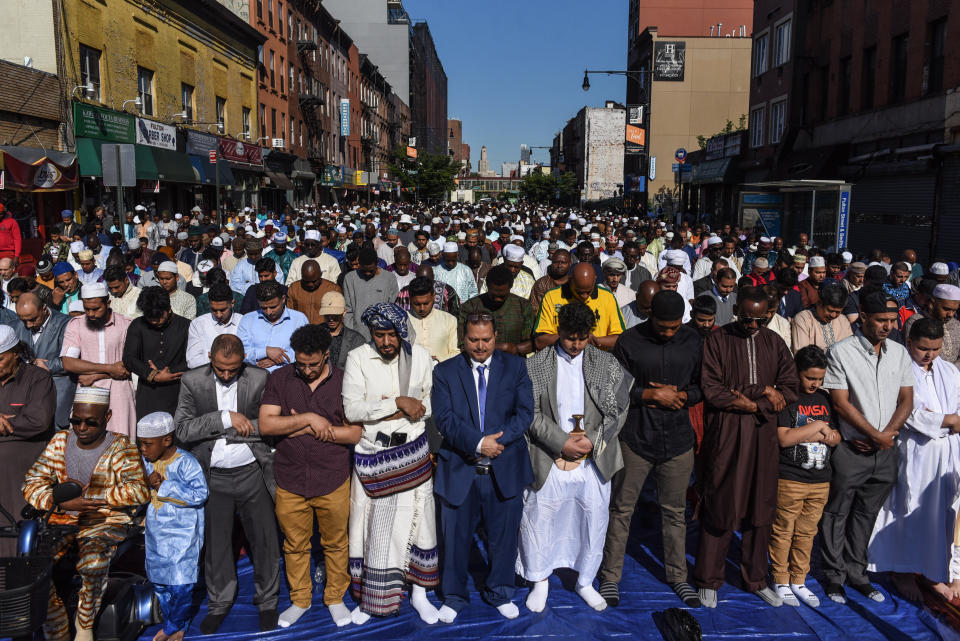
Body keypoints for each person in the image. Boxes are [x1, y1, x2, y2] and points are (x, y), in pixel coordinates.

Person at [693, 287, 799, 608]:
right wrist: (761, 391)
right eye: (747, 319)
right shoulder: (718, 340)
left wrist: (754, 404)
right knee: (722, 502)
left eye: (760, 320)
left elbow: (790, 389)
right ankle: (708, 579)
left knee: (760, 506)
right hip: (726, 433)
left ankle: (755, 579)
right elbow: (712, 389)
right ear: (736, 310)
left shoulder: (774, 342)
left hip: (763, 435)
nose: (752, 326)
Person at [519, 301, 627, 612]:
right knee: (541, 516)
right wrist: (561, 442)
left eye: (582, 338)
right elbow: (530, 412)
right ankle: (540, 580)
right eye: (569, 338)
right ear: (559, 331)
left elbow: (619, 409)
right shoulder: (536, 364)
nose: (576, 345)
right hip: (548, 454)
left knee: (593, 518)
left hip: (594, 456)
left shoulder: (605, 364)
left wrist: (591, 441)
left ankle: (585, 582)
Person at [599, 291, 703, 608]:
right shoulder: (629, 341)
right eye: (662, 327)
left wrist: (681, 397)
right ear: (650, 317)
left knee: (674, 512)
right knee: (621, 510)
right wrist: (649, 395)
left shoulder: (693, 341)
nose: (668, 333)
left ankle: (677, 577)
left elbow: (703, 387)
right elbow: (613, 387)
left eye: (674, 327)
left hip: (678, 440)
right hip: (636, 438)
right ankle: (609, 577)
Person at [22, 386, 149, 641]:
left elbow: (139, 491)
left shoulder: (121, 446)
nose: (81, 427)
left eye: (90, 422)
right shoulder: (60, 441)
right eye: (76, 420)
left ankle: (85, 625)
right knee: (34, 569)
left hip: (104, 520)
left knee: (92, 562)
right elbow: (31, 483)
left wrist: (93, 499)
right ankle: (56, 630)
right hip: (60, 519)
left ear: (107, 417)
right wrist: (57, 504)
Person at [341, 303, 441, 624]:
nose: (385, 342)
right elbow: (353, 410)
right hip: (374, 457)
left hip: (412, 453)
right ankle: (375, 596)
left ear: (401, 332)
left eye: (390, 335)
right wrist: (396, 403)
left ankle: (419, 593)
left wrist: (413, 408)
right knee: (373, 528)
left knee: (419, 524)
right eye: (378, 335)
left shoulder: (421, 357)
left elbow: (429, 404)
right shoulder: (358, 358)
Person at [432, 312, 534, 622]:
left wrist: (496, 442)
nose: (480, 346)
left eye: (486, 340)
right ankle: (453, 595)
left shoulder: (515, 366)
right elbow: (444, 419)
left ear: (495, 336)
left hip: (504, 468)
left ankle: (500, 591)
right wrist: (478, 444)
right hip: (461, 469)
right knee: (455, 539)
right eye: (473, 340)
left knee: (503, 538)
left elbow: (524, 412)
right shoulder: (445, 372)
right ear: (463, 339)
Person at [174, 334, 280, 633]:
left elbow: (270, 426)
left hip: (252, 473)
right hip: (212, 476)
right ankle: (219, 603)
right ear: (210, 357)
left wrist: (232, 430)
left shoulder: (260, 378)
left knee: (264, 540)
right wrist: (224, 418)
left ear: (244, 359)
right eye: (221, 368)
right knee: (217, 544)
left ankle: (268, 601)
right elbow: (182, 429)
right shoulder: (193, 381)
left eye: (233, 369)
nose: (226, 374)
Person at [259, 324, 361, 628]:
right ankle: (300, 599)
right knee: (294, 544)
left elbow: (354, 432)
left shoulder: (345, 381)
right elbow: (266, 425)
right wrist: (309, 420)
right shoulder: (280, 378)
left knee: (336, 542)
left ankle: (334, 597)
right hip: (290, 478)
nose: (306, 370)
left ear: (326, 354)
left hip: (333, 477)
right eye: (301, 364)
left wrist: (293, 425)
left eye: (313, 364)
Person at [819, 289, 913, 605]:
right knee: (836, 513)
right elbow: (841, 404)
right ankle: (833, 577)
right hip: (851, 450)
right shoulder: (841, 352)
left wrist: (887, 435)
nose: (888, 326)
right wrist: (875, 433)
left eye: (891, 321)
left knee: (866, 514)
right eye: (881, 320)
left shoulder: (899, 353)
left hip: (885, 452)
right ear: (864, 317)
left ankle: (857, 574)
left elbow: (907, 399)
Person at [868, 317, 960, 601]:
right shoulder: (899, 368)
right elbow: (909, 413)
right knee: (909, 511)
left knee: (943, 513)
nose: (929, 354)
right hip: (916, 451)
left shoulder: (950, 371)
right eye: (923, 348)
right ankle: (902, 571)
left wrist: (948, 419)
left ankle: (936, 572)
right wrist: (945, 418)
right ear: (909, 343)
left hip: (948, 452)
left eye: (935, 348)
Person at [768, 346, 840, 608]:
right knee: (784, 529)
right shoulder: (788, 398)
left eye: (820, 378)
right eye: (810, 377)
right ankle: (780, 578)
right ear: (796, 372)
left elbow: (836, 436)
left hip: (821, 480)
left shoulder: (825, 399)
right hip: (790, 478)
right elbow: (785, 437)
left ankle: (799, 579)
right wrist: (818, 428)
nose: (815, 383)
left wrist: (829, 434)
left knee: (808, 532)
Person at [137, 412, 208, 641]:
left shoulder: (186, 462)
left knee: (181, 585)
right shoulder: (146, 463)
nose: (144, 449)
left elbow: (200, 494)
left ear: (166, 440)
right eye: (141, 444)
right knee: (160, 583)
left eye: (148, 444)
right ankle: (174, 623)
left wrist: (165, 486)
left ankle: (176, 626)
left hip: (183, 534)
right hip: (157, 533)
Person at [61, 283, 136, 440]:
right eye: (87, 309)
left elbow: (126, 367)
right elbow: (68, 363)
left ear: (108, 303)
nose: (91, 313)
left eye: (96, 309)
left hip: (119, 391)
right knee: (85, 439)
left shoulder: (126, 325)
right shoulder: (76, 325)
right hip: (87, 391)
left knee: (121, 441)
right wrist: (109, 368)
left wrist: (95, 376)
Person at [123, 287, 189, 419]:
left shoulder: (186, 326)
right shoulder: (138, 325)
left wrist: (169, 372)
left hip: (179, 391)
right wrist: (153, 375)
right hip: (148, 392)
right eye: (149, 317)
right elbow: (129, 358)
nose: (154, 321)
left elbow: (193, 360)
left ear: (169, 308)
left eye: (158, 316)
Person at [14, 292, 73, 429]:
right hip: (28, 397)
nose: (28, 325)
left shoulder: (66, 324)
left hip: (58, 394)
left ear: (44, 309)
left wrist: (47, 365)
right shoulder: (16, 326)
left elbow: (71, 359)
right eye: (24, 320)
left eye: (33, 319)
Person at [534, 263, 625, 351]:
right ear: (570, 280)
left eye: (588, 292)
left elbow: (621, 339)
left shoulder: (607, 297)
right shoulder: (551, 297)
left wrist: (593, 340)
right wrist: (576, 336)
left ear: (595, 280)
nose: (584, 296)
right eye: (579, 292)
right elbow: (540, 341)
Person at [459, 265, 534, 355]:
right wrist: (502, 347)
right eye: (493, 295)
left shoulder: (523, 306)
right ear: (487, 286)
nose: (497, 299)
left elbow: (533, 343)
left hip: (513, 363)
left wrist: (515, 348)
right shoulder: (469, 307)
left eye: (502, 296)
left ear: (510, 287)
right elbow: (462, 344)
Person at [237, 280, 308, 372]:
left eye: (273, 307)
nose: (269, 312)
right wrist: (266, 351)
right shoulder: (247, 319)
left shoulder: (299, 319)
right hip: (254, 376)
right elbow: (241, 352)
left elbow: (305, 350)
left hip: (288, 376)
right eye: (263, 308)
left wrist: (278, 359)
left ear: (283, 299)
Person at [343, 247, 400, 342]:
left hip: (382, 336)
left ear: (377, 262)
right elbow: (348, 310)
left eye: (371, 270)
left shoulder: (389, 278)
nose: (367, 273)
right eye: (364, 270)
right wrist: (352, 334)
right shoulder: (350, 279)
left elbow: (393, 308)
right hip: (357, 336)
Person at [903, 283, 960, 367]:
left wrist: (951, 372)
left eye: (954, 310)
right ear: (932, 304)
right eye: (946, 309)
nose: (950, 314)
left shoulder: (956, 324)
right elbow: (912, 356)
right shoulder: (915, 322)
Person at [407, 276, 459, 362]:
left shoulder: (450, 320)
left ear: (434, 296)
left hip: (441, 372)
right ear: (410, 299)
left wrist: (438, 359)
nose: (422, 308)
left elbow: (456, 353)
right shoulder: (402, 320)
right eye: (417, 304)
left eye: (426, 303)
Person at [791, 282, 853, 353]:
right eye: (830, 310)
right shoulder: (803, 319)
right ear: (819, 303)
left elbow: (849, 350)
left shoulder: (843, 321)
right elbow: (802, 355)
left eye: (838, 312)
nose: (833, 315)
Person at [317, 291, 366, 371]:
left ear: (344, 312)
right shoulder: (313, 335)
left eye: (335, 315)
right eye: (327, 315)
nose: (331, 319)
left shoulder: (356, 340)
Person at [286, 259, 341, 324]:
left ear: (321, 274)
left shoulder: (333, 289)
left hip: (324, 331)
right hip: (301, 330)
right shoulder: (294, 288)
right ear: (302, 276)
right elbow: (290, 313)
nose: (310, 285)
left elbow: (338, 315)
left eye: (314, 281)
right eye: (306, 281)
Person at [530, 248, 571, 313]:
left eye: (563, 262)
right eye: (556, 262)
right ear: (551, 263)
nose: (559, 266)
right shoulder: (541, 284)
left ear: (570, 263)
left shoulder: (575, 283)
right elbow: (536, 310)